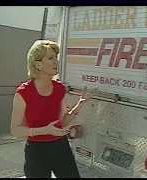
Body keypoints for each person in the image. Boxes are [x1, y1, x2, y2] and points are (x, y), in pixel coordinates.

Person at [10, 40, 97, 178]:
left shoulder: (59, 88)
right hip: (36, 151)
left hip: (60, 147)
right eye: (50, 58)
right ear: (38, 64)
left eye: (56, 58)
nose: (56, 62)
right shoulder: (23, 92)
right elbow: (15, 129)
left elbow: (63, 120)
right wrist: (44, 130)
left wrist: (79, 105)